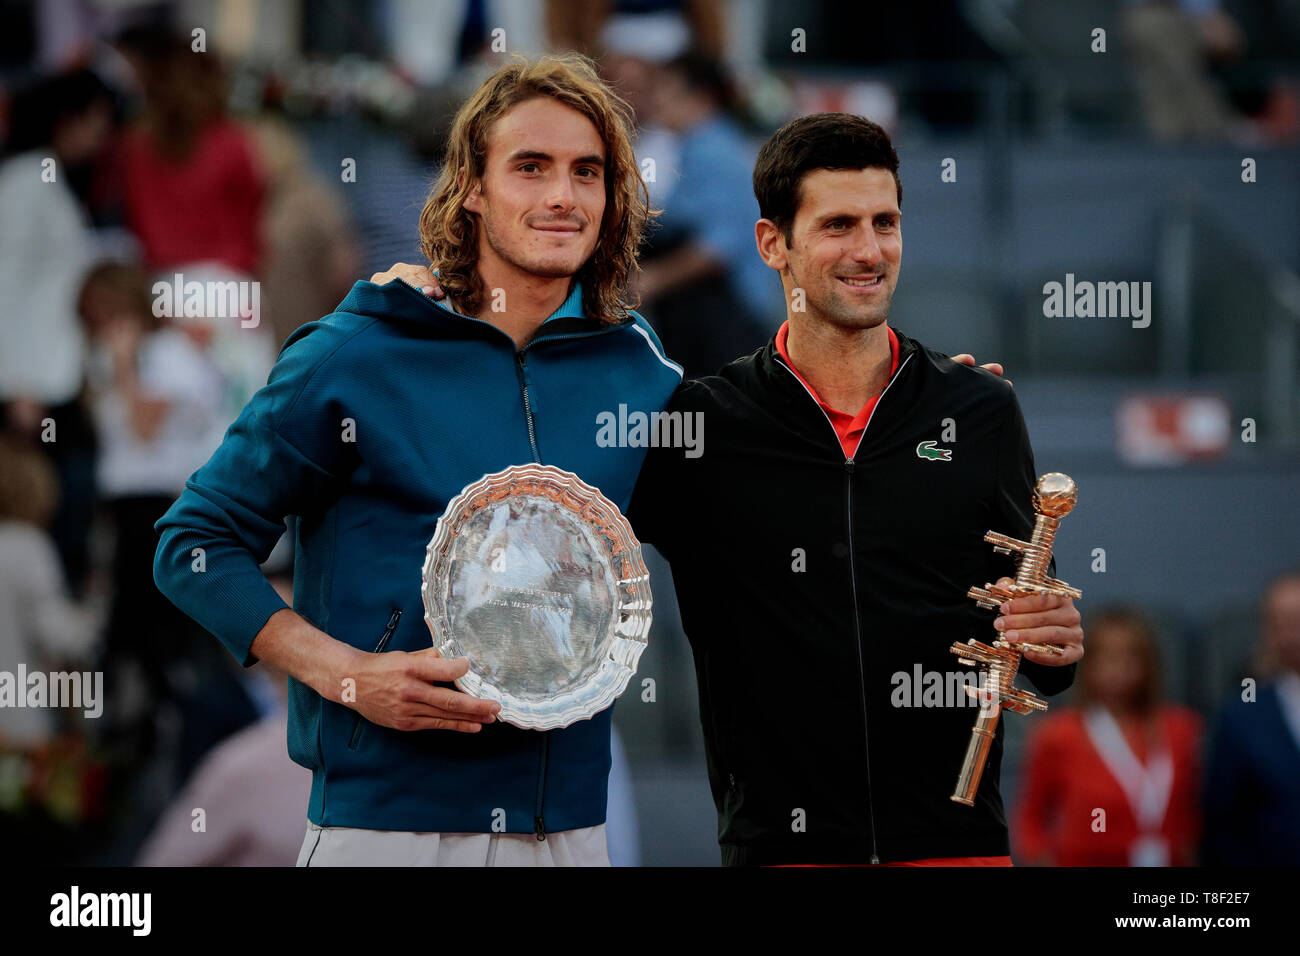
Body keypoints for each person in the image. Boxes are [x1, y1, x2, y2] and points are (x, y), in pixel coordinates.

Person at [153, 54, 681, 867]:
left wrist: (926, 410)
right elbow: (192, 543)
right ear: (471, 184)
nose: (561, 197)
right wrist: (346, 674)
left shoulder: (638, 370)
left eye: (588, 172)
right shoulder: (357, 354)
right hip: (387, 829)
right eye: (529, 167)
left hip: (572, 829)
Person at [625, 113, 1084, 866]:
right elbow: (571, 528)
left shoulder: (979, 410)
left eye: (886, 222)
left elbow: (1033, 639)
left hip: (957, 846)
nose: (869, 251)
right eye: (838, 224)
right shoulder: (703, 424)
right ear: (773, 243)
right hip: (781, 848)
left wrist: (1056, 645)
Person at [1014, 607, 1201, 866]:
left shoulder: (1180, 729)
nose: (1119, 669)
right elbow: (1031, 823)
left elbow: (1195, 818)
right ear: (1088, 664)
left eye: (1130, 657)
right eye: (1108, 657)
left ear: (1150, 663)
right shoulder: (1058, 734)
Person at [1202, 570, 1300, 865]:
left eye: (1296, 620)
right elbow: (1223, 824)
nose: (1290, 635)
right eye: (1278, 624)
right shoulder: (1240, 718)